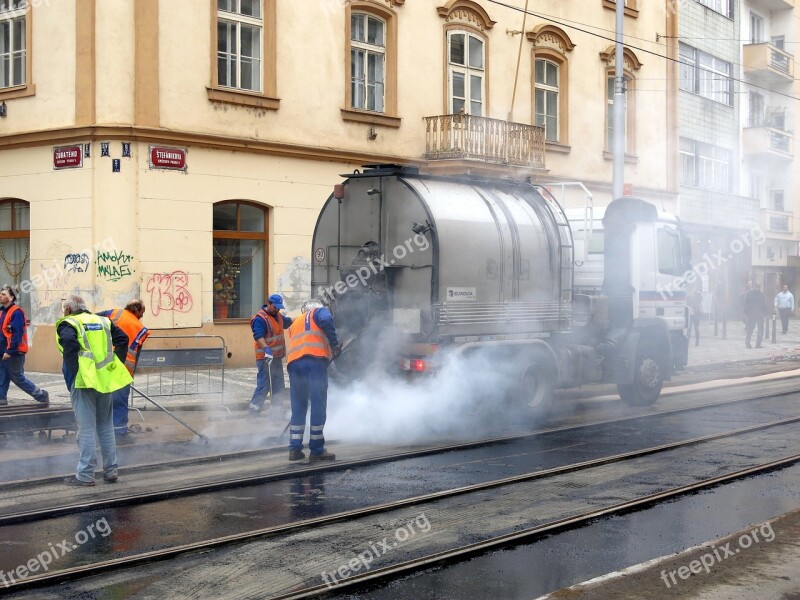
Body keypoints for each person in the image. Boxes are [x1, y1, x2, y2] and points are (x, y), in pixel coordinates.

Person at [57, 295, 132, 486]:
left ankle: (85, 476)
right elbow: (123, 339)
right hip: (103, 380)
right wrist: (115, 364)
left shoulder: (69, 323)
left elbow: (70, 344)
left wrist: (74, 374)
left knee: (86, 429)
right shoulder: (102, 321)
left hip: (83, 382)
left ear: (68, 309)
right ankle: (111, 471)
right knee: (106, 427)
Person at [285, 300, 341, 462]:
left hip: (294, 365)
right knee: (317, 404)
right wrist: (334, 345)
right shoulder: (319, 312)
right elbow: (325, 320)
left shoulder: (296, 321)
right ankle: (316, 450)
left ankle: (294, 449)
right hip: (314, 363)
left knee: (299, 405)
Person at [97, 300, 150, 443]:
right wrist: (130, 375)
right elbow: (136, 353)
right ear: (137, 310)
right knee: (119, 402)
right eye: (142, 313)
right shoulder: (140, 328)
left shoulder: (113, 312)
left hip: (103, 363)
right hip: (122, 369)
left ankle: (102, 433)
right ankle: (119, 434)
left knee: (103, 400)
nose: (141, 316)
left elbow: (93, 319)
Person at [0, 285, 49, 407]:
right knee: (2, 375)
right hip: (3, 351)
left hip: (14, 352)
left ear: (11, 298)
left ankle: (41, 395)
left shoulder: (16, 313)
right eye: (1, 294)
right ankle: (1, 399)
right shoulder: (2, 312)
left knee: (17, 377)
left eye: (4, 294)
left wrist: (10, 351)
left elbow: (17, 334)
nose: (1, 296)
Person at [249, 294, 292, 416]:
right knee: (264, 385)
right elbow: (258, 336)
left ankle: (276, 413)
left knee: (278, 385)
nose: (277, 310)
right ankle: (253, 413)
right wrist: (266, 348)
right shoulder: (260, 318)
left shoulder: (278, 316)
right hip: (265, 358)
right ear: (268, 303)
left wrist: (305, 317)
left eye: (279, 308)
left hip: (276, 358)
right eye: (275, 307)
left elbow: (288, 322)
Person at [744, 283, 767, 349]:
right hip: (759, 314)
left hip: (751, 314)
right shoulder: (761, 294)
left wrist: (746, 313)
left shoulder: (749, 294)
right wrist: (765, 314)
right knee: (760, 329)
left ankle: (747, 343)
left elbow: (746, 304)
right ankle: (758, 344)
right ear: (759, 287)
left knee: (750, 329)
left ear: (754, 287)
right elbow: (764, 305)